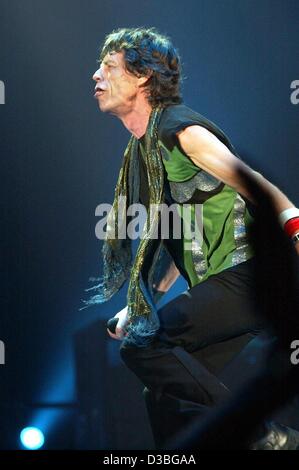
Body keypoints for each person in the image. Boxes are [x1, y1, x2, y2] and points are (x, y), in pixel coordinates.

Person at [87, 27, 299, 449]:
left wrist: (294, 228)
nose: (96, 76)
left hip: (250, 275)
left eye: (108, 66)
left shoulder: (180, 131)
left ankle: (268, 439)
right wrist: (138, 305)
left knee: (142, 348)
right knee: (164, 390)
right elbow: (170, 240)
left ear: (143, 77)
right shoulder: (144, 150)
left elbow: (254, 182)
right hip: (230, 284)